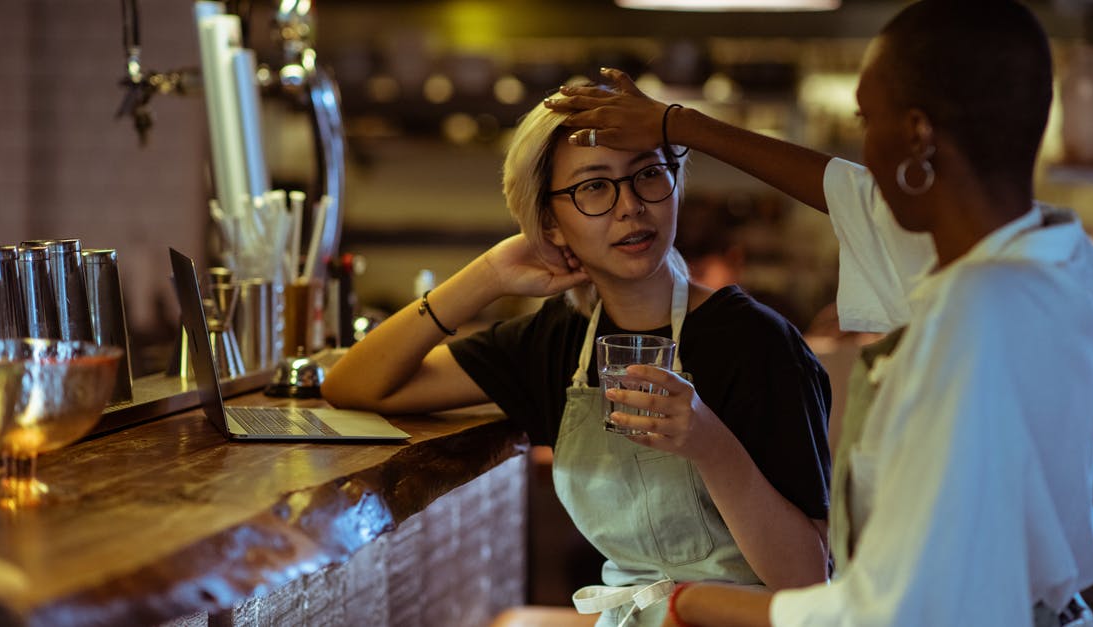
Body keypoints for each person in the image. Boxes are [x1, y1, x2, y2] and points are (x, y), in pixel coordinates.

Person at [545, 1, 1093, 625]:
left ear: (918, 136)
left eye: (868, 121)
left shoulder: (970, 326)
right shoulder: (1056, 259)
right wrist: (677, 125)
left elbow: (894, 610)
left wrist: (693, 603)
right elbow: (856, 196)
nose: (863, 150)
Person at [321, 86, 833, 627]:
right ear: (549, 222)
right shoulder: (558, 339)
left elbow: (805, 581)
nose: (630, 206)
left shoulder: (758, 344)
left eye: (648, 174)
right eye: (594, 187)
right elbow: (355, 385)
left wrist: (710, 445)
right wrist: (487, 276)